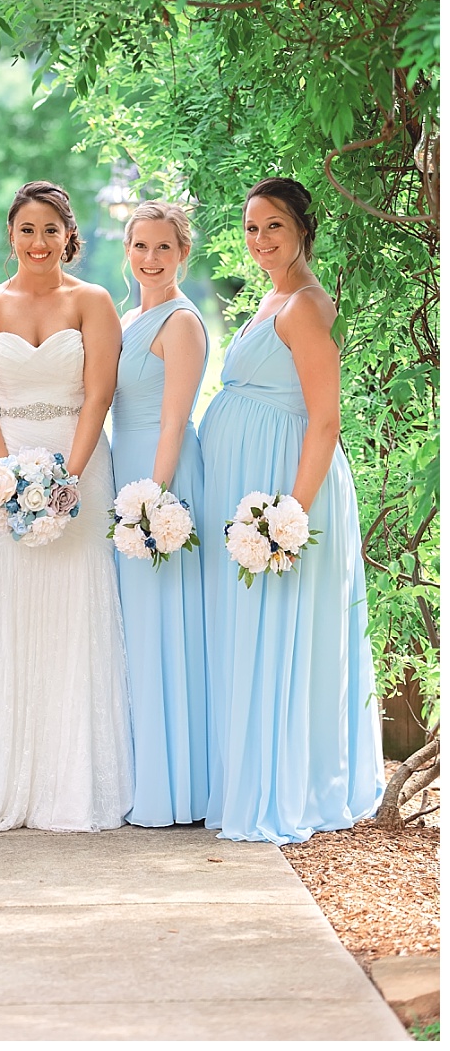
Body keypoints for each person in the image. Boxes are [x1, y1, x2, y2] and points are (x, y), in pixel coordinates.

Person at [198, 178, 382, 843]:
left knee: (280, 632)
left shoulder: (304, 305)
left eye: (273, 226)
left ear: (303, 226)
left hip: (286, 488)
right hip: (255, 484)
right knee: (253, 632)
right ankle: (252, 777)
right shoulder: (271, 296)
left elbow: (325, 421)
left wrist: (289, 518)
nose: (260, 240)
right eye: (251, 228)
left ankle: (287, 789)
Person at [0, 180, 132, 832]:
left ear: (68, 237)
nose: (38, 242)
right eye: (26, 230)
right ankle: (6, 781)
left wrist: (69, 478)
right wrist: (5, 475)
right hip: (0, 465)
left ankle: (72, 783)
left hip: (77, 460)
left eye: (50, 230)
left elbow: (99, 394)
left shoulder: (93, 302)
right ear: (10, 235)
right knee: (6, 612)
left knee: (74, 612)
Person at [112, 202, 210, 826]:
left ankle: (177, 789)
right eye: (141, 247)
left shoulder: (181, 323)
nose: (150, 259)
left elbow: (174, 418)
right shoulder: (130, 317)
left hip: (162, 476)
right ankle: (143, 771)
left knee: (165, 624)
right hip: (127, 469)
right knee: (136, 628)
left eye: (163, 249)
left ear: (183, 254)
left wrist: (155, 500)